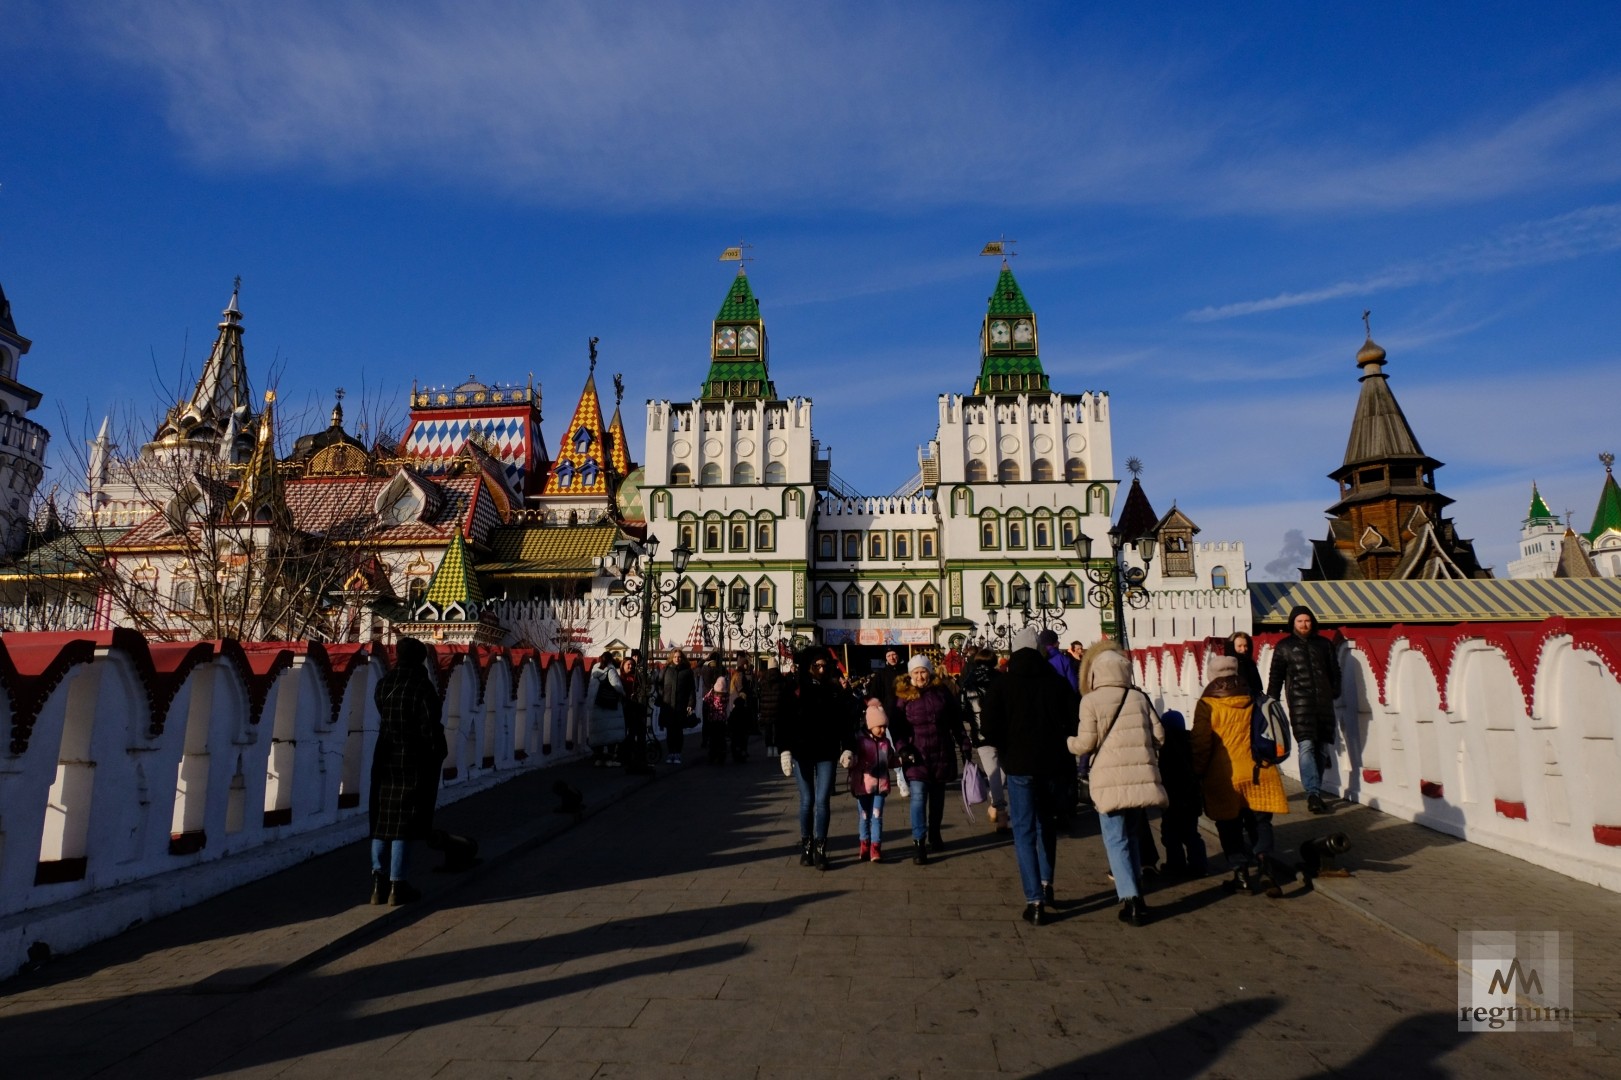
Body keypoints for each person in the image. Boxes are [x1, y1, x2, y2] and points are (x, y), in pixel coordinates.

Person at [981, 627, 1077, 926]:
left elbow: (989, 727)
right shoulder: (1057, 683)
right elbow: (1073, 722)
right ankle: (1047, 885)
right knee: (1046, 824)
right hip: (1051, 765)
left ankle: (1034, 902)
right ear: (1038, 650)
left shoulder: (1003, 685)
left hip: (1020, 766)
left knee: (1023, 831)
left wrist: (1007, 747)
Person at [1069, 646, 1166, 926]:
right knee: (1133, 835)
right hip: (1138, 779)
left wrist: (1070, 744)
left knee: (1115, 838)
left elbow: (1085, 744)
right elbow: (1160, 736)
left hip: (1108, 779)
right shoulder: (1137, 697)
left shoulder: (1091, 701)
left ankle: (1130, 899)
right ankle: (1137, 892)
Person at [1193, 655, 1291, 895]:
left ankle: (1241, 874)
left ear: (1212, 676)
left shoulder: (1207, 704)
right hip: (1260, 771)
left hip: (1224, 777)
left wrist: (1198, 773)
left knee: (1229, 825)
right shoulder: (1254, 697)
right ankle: (1266, 865)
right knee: (1260, 822)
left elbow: (1201, 745)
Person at [369, 636, 447, 906]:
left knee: (382, 820)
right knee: (403, 822)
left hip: (384, 755)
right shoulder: (422, 687)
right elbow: (431, 725)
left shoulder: (383, 685)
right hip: (412, 758)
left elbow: (382, 711)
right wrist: (438, 752)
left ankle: (377, 883)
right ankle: (397, 884)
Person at [888, 654, 967, 864]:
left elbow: (955, 720)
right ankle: (919, 842)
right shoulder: (903, 696)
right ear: (910, 674)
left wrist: (965, 744)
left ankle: (934, 832)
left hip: (941, 750)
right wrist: (902, 748)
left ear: (929, 672)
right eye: (916, 672)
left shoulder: (941, 692)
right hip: (917, 754)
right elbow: (896, 727)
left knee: (938, 798)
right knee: (918, 796)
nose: (920, 676)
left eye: (923, 671)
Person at [1266, 605, 1342, 814]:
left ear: (1312, 622)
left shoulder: (1324, 644)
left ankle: (1314, 788)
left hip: (1324, 704)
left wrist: (1334, 690)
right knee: (1306, 746)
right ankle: (1313, 793)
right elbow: (1276, 676)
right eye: (1299, 621)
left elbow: (1335, 671)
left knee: (1321, 749)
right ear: (1293, 623)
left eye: (1307, 620)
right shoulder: (1284, 646)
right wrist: (1271, 701)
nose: (1304, 624)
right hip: (1300, 703)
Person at [781, 648, 853, 869]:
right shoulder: (796, 689)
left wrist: (847, 747)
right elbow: (784, 719)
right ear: (810, 667)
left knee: (822, 801)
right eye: (817, 666)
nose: (821, 669)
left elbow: (845, 719)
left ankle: (821, 847)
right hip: (802, 752)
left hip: (827, 752)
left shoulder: (833, 689)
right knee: (806, 802)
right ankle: (807, 846)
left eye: (824, 666)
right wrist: (785, 749)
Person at [842, 699, 899, 862]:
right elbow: (853, 760)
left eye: (884, 727)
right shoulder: (860, 741)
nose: (882, 730)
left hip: (881, 786)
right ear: (870, 725)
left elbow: (890, 760)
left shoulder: (886, 743)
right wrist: (849, 761)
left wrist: (901, 760)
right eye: (879, 726)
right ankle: (864, 843)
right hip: (863, 786)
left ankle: (876, 846)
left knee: (877, 815)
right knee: (864, 816)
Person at [959, 646, 1008, 830]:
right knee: (1002, 770)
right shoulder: (1001, 679)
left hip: (981, 734)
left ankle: (998, 808)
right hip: (1002, 731)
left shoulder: (968, 682)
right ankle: (998, 808)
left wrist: (973, 721)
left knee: (992, 772)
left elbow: (963, 710)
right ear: (994, 661)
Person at [1156, 709, 1207, 877]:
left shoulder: (1165, 747)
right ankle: (1199, 865)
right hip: (1192, 798)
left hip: (1172, 799)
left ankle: (1175, 864)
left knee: (1171, 834)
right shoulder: (1191, 741)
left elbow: (1163, 773)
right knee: (1191, 833)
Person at [587, 650, 627, 768]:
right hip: (609, 704)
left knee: (599, 733)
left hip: (596, 704)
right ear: (611, 660)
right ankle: (609, 758)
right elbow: (617, 686)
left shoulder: (594, 669)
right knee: (611, 733)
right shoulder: (610, 669)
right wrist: (624, 694)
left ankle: (599, 758)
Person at [659, 648, 697, 765]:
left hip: (681, 705)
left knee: (678, 731)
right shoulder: (666, 670)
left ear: (682, 658)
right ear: (672, 658)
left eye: (679, 657)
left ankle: (677, 753)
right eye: (675, 657)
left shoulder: (687, 671)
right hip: (668, 705)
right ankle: (671, 753)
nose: (677, 659)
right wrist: (661, 698)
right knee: (670, 731)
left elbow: (691, 689)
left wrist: (691, 704)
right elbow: (659, 685)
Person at [756, 656, 789, 758]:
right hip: (779, 708)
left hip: (766, 709)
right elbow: (785, 693)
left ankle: (769, 748)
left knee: (768, 729)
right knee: (778, 730)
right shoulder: (781, 678)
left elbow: (759, 693)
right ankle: (777, 748)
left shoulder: (764, 679)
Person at [702, 676, 729, 765]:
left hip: (712, 719)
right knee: (721, 739)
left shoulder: (712, 694)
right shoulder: (726, 696)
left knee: (713, 739)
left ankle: (712, 755)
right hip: (722, 720)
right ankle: (721, 755)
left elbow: (705, 700)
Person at [873, 646, 907, 711]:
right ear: (886, 658)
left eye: (894, 654)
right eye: (888, 656)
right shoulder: (881, 673)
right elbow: (875, 692)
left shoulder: (906, 671)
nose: (891, 658)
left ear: (898, 655)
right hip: (887, 710)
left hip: (904, 709)